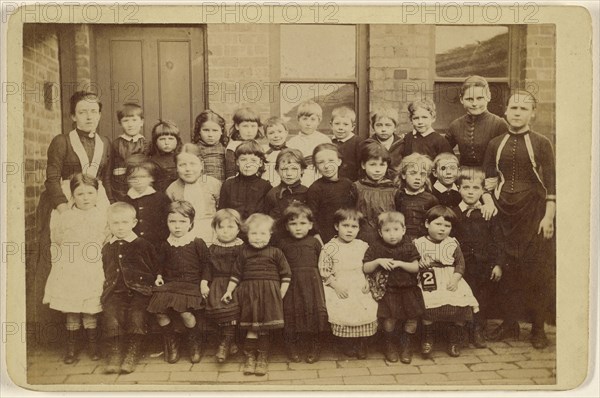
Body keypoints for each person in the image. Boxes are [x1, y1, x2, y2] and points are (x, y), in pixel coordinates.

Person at [482, 90, 556, 349]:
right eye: (513, 108)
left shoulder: (542, 143)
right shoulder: (495, 143)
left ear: (532, 114)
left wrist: (549, 216)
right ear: (505, 111)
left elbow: (551, 184)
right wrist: (489, 199)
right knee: (507, 270)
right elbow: (489, 180)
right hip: (503, 213)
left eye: (523, 109)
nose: (517, 113)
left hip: (533, 214)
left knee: (536, 270)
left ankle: (538, 328)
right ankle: (510, 323)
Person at [36, 91, 112, 334]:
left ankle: (95, 324)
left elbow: (106, 179)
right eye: (82, 112)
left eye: (93, 111)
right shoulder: (62, 141)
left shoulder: (105, 142)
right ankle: (60, 328)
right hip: (67, 201)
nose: (88, 116)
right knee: (65, 258)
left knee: (96, 256)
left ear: (99, 115)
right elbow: (51, 178)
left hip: (95, 200)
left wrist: (109, 209)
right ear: (73, 116)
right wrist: (62, 208)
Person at [42, 174, 109, 364]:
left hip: (93, 267)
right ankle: (71, 348)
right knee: (71, 307)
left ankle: (93, 346)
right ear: (72, 195)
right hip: (70, 267)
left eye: (90, 193)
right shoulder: (65, 216)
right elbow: (57, 239)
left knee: (90, 307)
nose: (86, 197)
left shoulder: (103, 215)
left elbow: (106, 240)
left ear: (97, 194)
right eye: (80, 193)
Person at [221, 214, 291, 377]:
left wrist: (280, 294)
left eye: (262, 234)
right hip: (250, 295)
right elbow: (236, 274)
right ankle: (250, 357)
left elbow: (286, 275)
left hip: (269, 295)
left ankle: (262, 358)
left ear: (270, 234)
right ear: (246, 234)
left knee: (264, 329)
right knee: (252, 328)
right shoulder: (244, 253)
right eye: (254, 234)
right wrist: (229, 290)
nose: (258, 238)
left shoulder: (276, 252)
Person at [148, 201, 212, 364]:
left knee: (186, 313)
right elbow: (160, 264)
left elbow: (207, 264)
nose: (177, 226)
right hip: (170, 284)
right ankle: (171, 342)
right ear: (166, 222)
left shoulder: (197, 242)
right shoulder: (165, 244)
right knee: (160, 312)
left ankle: (194, 342)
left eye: (182, 222)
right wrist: (159, 276)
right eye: (172, 222)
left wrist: (204, 282)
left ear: (191, 223)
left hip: (191, 284)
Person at [101, 202, 160, 374]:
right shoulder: (107, 247)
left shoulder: (143, 245)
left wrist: (156, 279)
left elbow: (155, 266)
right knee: (111, 312)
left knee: (137, 314)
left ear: (133, 223)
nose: (120, 228)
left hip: (139, 290)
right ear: (109, 224)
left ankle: (133, 351)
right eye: (115, 223)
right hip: (115, 290)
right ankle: (115, 352)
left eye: (124, 223)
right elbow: (104, 268)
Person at [413, 206, 479, 358]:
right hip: (429, 278)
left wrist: (456, 278)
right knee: (428, 305)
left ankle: (454, 339)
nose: (442, 229)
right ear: (427, 224)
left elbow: (460, 263)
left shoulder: (452, 243)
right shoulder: (419, 243)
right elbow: (412, 259)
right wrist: (419, 261)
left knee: (459, 304)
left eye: (447, 226)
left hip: (450, 276)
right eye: (438, 224)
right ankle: (427, 338)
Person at [451, 167, 505, 348]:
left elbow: (498, 240)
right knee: (463, 297)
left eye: (475, 188)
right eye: (466, 187)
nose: (470, 192)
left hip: (484, 265)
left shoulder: (488, 213)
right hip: (462, 266)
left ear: (482, 191)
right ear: (458, 188)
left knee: (481, 298)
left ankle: (478, 330)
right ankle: (462, 331)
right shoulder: (453, 214)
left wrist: (498, 264)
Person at [363, 212, 423, 364]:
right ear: (380, 232)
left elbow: (416, 267)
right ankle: (389, 345)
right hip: (389, 290)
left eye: (396, 229)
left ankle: (406, 345)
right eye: (387, 230)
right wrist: (378, 261)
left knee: (411, 319)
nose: (392, 234)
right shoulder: (376, 247)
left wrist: (400, 264)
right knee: (390, 319)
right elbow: (366, 268)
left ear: (403, 230)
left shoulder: (409, 246)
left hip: (408, 289)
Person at [446, 75, 509, 219]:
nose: (475, 103)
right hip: (463, 183)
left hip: (491, 182)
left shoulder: (499, 124)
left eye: (480, 98)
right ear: (462, 99)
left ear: (488, 96)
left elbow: (507, 158)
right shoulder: (456, 125)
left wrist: (495, 180)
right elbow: (444, 155)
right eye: (469, 99)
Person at [319, 209, 377, 359]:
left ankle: (361, 343)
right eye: (345, 226)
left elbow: (368, 265)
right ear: (337, 226)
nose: (349, 230)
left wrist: (368, 281)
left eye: (354, 227)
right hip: (339, 283)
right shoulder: (329, 247)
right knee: (342, 307)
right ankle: (346, 343)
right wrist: (335, 285)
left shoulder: (362, 245)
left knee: (365, 307)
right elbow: (324, 270)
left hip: (359, 281)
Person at [276, 203, 328, 363]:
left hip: (312, 282)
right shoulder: (283, 243)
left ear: (311, 225)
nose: (298, 228)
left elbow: (325, 262)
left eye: (303, 223)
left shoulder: (314, 242)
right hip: (291, 282)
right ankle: (291, 346)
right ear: (286, 226)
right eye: (293, 223)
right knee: (291, 312)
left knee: (313, 311)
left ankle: (315, 345)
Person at [206, 209, 244, 363]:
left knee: (232, 307)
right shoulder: (213, 248)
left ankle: (225, 344)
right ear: (215, 229)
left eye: (230, 227)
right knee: (218, 308)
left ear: (238, 229)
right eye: (221, 227)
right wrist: (204, 282)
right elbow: (207, 267)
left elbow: (243, 267)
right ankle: (229, 342)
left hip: (236, 283)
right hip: (218, 282)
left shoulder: (241, 247)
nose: (226, 232)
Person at [166, 144, 221, 245]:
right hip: (184, 233)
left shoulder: (212, 183)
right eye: (182, 165)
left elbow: (221, 209)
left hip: (210, 232)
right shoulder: (172, 188)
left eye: (193, 164)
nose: (188, 169)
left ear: (201, 165)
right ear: (176, 168)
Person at [306, 143, 358, 244]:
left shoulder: (348, 184)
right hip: (326, 238)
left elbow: (354, 210)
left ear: (339, 161)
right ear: (316, 166)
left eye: (331, 161)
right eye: (321, 162)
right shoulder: (315, 188)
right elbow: (312, 217)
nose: (327, 166)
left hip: (348, 235)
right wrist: (319, 240)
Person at [354, 141, 398, 244]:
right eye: (373, 165)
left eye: (382, 165)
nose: (377, 170)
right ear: (363, 165)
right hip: (362, 236)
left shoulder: (394, 189)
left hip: (387, 237)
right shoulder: (356, 187)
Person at [218, 140, 272, 221]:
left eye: (253, 160)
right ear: (237, 162)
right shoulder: (228, 184)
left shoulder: (265, 187)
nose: (248, 164)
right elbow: (221, 213)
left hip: (256, 229)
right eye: (243, 160)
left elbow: (267, 216)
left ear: (260, 163)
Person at [122, 161, 170, 250]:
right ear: (128, 180)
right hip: (134, 247)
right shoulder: (126, 200)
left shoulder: (161, 198)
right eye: (133, 177)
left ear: (151, 178)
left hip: (157, 246)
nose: (138, 181)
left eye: (143, 177)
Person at [394, 153, 439, 241]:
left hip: (423, 241)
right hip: (401, 240)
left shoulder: (431, 199)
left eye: (422, 174)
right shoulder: (398, 196)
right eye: (413, 173)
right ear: (403, 175)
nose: (418, 178)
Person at [287, 100, 332, 187]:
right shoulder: (292, 143)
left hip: (321, 181)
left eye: (313, 119)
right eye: (305, 119)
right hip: (299, 183)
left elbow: (330, 162)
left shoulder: (324, 140)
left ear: (319, 121)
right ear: (298, 120)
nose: (308, 123)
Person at [111, 103, 148, 201]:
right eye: (125, 121)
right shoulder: (116, 144)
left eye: (134, 120)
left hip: (140, 185)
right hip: (121, 187)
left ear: (141, 122)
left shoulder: (146, 144)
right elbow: (110, 168)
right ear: (120, 123)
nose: (130, 124)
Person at [264, 148, 309, 223]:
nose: (289, 173)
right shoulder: (272, 194)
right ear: (277, 170)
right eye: (284, 169)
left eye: (294, 169)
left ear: (302, 170)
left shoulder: (307, 192)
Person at [361, 107, 404, 176]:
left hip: (396, 182)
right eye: (379, 125)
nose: (383, 129)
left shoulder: (401, 144)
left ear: (395, 127)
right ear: (373, 127)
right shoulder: (367, 144)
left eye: (388, 125)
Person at [225, 107, 263, 179]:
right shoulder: (233, 147)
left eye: (253, 126)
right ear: (237, 126)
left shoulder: (259, 145)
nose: (249, 130)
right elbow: (230, 173)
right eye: (245, 126)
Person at [192, 109, 228, 182]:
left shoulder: (226, 149)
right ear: (199, 131)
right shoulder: (193, 149)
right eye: (206, 130)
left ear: (221, 131)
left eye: (215, 130)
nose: (210, 135)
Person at [147, 120, 182, 192]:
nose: (167, 142)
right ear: (155, 142)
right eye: (162, 139)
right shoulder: (152, 161)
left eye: (171, 139)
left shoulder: (182, 157)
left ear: (177, 141)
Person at [330, 106, 362, 181]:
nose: (341, 127)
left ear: (352, 127)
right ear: (331, 125)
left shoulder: (358, 142)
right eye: (337, 124)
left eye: (345, 124)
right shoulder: (329, 142)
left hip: (352, 182)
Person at [262, 116, 289, 186]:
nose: (276, 135)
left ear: (286, 133)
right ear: (266, 135)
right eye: (271, 133)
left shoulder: (291, 151)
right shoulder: (262, 151)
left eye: (280, 131)